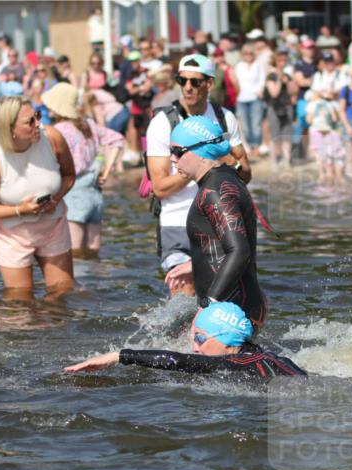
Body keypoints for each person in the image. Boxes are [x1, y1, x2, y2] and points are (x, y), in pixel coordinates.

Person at [146, 54, 250, 296]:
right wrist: (201, 163)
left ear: (210, 84)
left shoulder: (225, 118)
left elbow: (245, 173)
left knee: (225, 295)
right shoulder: (163, 122)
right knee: (185, 298)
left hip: (220, 218)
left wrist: (226, 164)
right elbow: (159, 187)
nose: (188, 88)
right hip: (177, 222)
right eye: (182, 81)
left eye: (195, 82)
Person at [168, 115, 271, 328]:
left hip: (230, 311)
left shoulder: (215, 190)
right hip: (238, 305)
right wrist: (197, 261)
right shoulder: (226, 178)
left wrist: (208, 305)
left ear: (202, 152)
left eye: (178, 151)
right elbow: (226, 240)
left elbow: (239, 251)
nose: (172, 158)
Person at [0, 96, 76, 296]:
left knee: (62, 293)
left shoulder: (52, 137)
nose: (39, 124)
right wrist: (20, 210)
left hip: (53, 226)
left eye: (38, 116)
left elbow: (69, 176)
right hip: (12, 235)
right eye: (30, 121)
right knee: (20, 303)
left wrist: (55, 199)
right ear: (10, 128)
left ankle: (55, 327)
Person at [65, 302, 306, 378]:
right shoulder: (261, 356)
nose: (195, 347)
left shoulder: (236, 363)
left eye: (200, 338)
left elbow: (176, 361)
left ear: (225, 338)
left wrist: (118, 356)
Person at [43, 82, 125, 255]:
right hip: (94, 192)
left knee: (75, 252)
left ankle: (82, 282)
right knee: (94, 250)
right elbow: (117, 139)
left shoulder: (57, 131)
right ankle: (96, 282)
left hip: (74, 192)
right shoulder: (89, 124)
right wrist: (106, 170)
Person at [232, 45, 267, 153]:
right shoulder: (239, 66)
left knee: (256, 123)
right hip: (241, 98)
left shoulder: (258, 65)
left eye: (250, 53)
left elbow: (262, 80)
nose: (248, 56)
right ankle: (250, 145)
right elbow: (235, 80)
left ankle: (256, 145)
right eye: (246, 53)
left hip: (255, 97)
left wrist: (260, 90)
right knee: (245, 125)